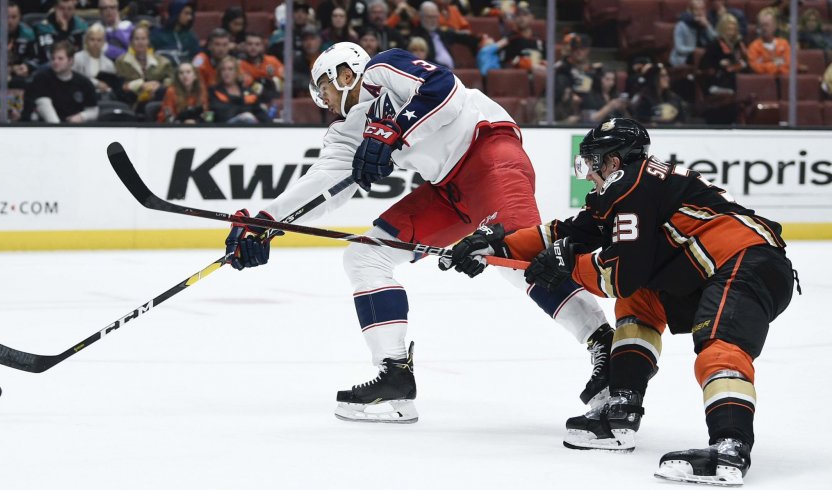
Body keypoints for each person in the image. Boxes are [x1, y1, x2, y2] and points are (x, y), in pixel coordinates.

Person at [222, 42, 614, 423]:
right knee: (365, 256)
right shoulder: (346, 132)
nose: (322, 98)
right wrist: (263, 222)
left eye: (323, 86)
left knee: (515, 257)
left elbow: (443, 89)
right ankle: (395, 375)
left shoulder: (382, 70)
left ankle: (606, 349)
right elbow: (323, 183)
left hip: (491, 154)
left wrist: (392, 133)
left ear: (344, 73)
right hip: (448, 192)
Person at [448, 117, 796, 485]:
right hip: (709, 267)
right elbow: (569, 232)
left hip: (745, 262)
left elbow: (619, 275)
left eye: (592, 162)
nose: (588, 173)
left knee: (720, 349)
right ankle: (622, 410)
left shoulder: (633, 187)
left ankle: (730, 449)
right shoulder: (634, 186)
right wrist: (497, 244)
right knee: (638, 304)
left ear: (613, 162)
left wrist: (569, 267)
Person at [25, 40, 97, 122]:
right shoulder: (42, 78)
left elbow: (93, 110)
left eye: (60, 59)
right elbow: (43, 105)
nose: (55, 62)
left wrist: (82, 116)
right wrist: (59, 128)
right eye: (53, 58)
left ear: (71, 60)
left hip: (76, 129)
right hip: (47, 128)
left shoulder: (84, 83)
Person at [699, 13, 748, 124]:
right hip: (718, 83)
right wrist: (719, 64)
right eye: (728, 29)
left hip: (736, 81)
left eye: (733, 29)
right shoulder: (714, 45)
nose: (731, 32)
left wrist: (741, 64)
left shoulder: (739, 45)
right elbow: (705, 66)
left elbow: (746, 62)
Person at [115, 22, 174, 111]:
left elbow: (171, 80)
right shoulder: (121, 62)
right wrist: (140, 85)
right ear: (131, 42)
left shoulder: (163, 62)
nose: (140, 42)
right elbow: (119, 86)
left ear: (148, 41)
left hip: (156, 99)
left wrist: (159, 86)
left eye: (143, 39)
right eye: (137, 39)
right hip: (130, 101)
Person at [0, 1, 38, 80]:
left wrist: (27, 66)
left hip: (18, 69)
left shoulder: (28, 34)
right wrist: (7, 68)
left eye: (14, 17)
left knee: (36, 75)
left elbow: (34, 58)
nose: (10, 21)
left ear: (20, 17)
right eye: (6, 17)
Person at [208, 56, 270, 123]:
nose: (226, 73)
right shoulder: (214, 92)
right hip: (225, 128)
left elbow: (259, 112)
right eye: (223, 69)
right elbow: (220, 112)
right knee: (247, 116)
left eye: (230, 69)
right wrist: (243, 110)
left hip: (248, 127)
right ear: (220, 72)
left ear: (236, 72)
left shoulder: (247, 92)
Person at [73, 23, 117, 98]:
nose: (95, 43)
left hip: (103, 97)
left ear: (103, 43)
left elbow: (112, 86)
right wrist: (96, 83)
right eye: (92, 39)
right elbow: (74, 79)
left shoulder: (109, 63)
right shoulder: (76, 58)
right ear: (86, 41)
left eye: (99, 40)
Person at [669, 0, 717, 67]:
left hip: (703, 58)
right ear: (690, 11)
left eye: (702, 9)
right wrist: (695, 50)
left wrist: (707, 26)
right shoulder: (681, 26)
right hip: (684, 58)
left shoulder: (706, 24)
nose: (700, 13)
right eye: (697, 9)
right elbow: (679, 48)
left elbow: (716, 40)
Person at [747, 8, 790, 75]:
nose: (764, 28)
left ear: (774, 26)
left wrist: (765, 64)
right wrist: (776, 65)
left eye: (766, 25)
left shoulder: (784, 44)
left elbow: (789, 66)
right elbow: (756, 68)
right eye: (761, 25)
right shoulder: (753, 47)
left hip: (783, 81)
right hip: (762, 83)